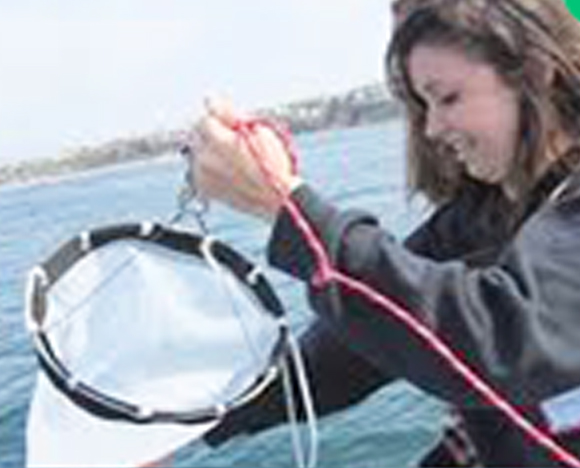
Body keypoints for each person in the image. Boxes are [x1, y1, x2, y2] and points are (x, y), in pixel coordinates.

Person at [188, 0, 580, 465]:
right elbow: (344, 355)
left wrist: (288, 207)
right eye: (423, 105)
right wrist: (192, 420)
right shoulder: (479, 219)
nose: (432, 128)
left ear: (534, 72)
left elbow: (498, 340)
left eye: (448, 97)